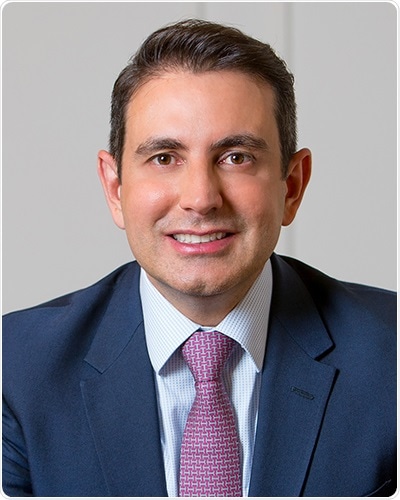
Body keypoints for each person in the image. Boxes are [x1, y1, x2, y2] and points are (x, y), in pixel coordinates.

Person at [2, 19, 396, 498]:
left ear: (291, 187)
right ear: (115, 188)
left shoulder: (389, 356)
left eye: (236, 157)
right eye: (164, 158)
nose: (201, 199)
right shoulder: (15, 370)